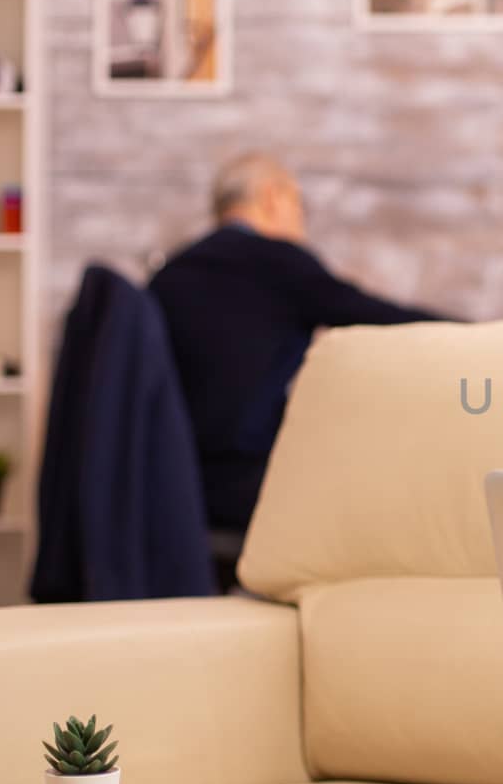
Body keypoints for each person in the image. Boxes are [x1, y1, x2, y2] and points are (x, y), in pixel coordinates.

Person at [149, 153, 448, 554]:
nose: (302, 219)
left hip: (173, 485)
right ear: (272, 197)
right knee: (397, 492)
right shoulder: (279, 263)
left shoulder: (168, 276)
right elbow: (372, 314)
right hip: (250, 483)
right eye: (299, 204)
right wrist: (473, 331)